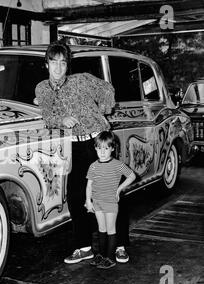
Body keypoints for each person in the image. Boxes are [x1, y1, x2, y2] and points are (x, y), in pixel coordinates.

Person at [35, 40, 130, 264]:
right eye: (53, 62)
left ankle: (120, 246)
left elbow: (108, 89)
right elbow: (48, 117)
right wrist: (61, 119)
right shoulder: (41, 89)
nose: (58, 67)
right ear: (46, 64)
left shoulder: (82, 80)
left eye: (63, 62)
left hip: (98, 142)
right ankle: (84, 247)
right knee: (76, 197)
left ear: (68, 65)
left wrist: (105, 110)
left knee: (112, 193)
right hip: (75, 146)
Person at [85, 131, 136, 269]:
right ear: (95, 148)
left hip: (110, 202)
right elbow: (89, 185)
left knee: (110, 229)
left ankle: (110, 257)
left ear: (112, 148)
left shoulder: (117, 164)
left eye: (106, 148)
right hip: (97, 201)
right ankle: (101, 255)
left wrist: (119, 189)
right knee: (101, 229)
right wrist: (88, 201)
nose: (102, 152)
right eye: (99, 148)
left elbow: (132, 176)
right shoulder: (93, 166)